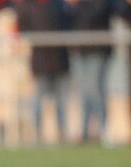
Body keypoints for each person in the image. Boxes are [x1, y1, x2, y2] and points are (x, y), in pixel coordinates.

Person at [14, 0, 70, 144]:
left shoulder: (59, 6)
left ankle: (62, 133)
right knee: (38, 99)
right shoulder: (29, 7)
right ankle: (36, 134)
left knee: (60, 100)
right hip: (40, 61)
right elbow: (22, 29)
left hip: (59, 60)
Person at [65, 0, 113, 144]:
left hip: (97, 50)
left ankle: (103, 130)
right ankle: (85, 131)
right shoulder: (73, 5)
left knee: (95, 91)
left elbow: (97, 15)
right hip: (80, 52)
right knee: (83, 93)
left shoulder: (102, 3)